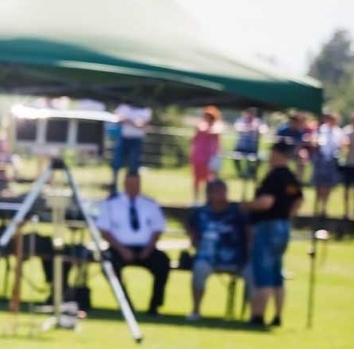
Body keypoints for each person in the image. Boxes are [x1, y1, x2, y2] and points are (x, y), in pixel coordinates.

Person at [243, 139, 303, 327]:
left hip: (268, 226)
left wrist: (247, 206)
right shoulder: (290, 177)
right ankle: (277, 315)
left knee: (263, 271)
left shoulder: (274, 177)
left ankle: (257, 316)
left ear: (278, 154)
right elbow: (299, 199)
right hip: (283, 227)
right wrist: (285, 216)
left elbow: (266, 202)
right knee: (277, 273)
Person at [95, 171, 171, 315]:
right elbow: (104, 230)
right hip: (119, 248)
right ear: (124, 184)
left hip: (145, 248)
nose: (133, 188)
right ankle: (126, 303)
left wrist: (148, 249)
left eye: (136, 184)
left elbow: (157, 228)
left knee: (162, 262)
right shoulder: (111, 204)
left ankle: (155, 306)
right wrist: (122, 249)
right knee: (108, 263)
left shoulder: (150, 204)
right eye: (130, 184)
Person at [184, 178, 250, 321]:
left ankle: (254, 314)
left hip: (236, 258)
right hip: (208, 258)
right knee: (199, 268)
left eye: (223, 191)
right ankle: (196, 310)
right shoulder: (199, 212)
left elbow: (249, 231)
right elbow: (190, 229)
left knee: (254, 273)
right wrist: (195, 243)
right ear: (209, 194)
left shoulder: (238, 211)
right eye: (217, 192)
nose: (222, 195)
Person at [310, 111, 345, 219]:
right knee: (318, 184)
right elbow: (314, 140)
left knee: (327, 185)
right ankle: (316, 207)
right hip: (321, 159)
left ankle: (324, 208)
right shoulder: (321, 129)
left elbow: (341, 145)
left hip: (332, 160)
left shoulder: (338, 132)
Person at [190, 105, 223, 202]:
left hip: (210, 158)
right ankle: (195, 199)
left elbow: (215, 132)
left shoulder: (217, 126)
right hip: (198, 156)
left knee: (210, 180)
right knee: (196, 179)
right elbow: (194, 139)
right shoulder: (200, 126)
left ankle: (208, 199)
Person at [112, 103, 151, 186]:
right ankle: (114, 187)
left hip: (136, 140)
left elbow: (141, 124)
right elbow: (118, 119)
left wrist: (127, 120)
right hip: (123, 139)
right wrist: (133, 122)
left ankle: (131, 187)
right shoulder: (123, 107)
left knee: (133, 166)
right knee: (116, 163)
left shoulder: (145, 111)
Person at [232, 107, 264, 182]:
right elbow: (237, 128)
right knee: (235, 157)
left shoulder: (258, 121)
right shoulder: (241, 120)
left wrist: (255, 128)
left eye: (253, 113)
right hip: (241, 148)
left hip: (253, 149)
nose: (251, 114)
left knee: (260, 158)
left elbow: (263, 130)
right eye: (250, 112)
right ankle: (241, 173)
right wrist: (249, 127)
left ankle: (251, 172)